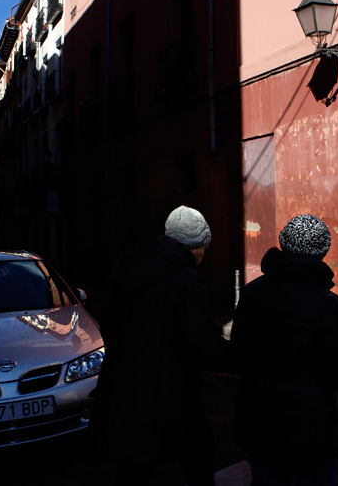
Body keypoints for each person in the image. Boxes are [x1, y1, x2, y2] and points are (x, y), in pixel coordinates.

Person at [90, 205, 235, 486]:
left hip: (126, 390)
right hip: (172, 396)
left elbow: (108, 324)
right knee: (198, 459)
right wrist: (238, 357)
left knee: (136, 467)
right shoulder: (186, 280)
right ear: (197, 246)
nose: (205, 255)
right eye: (205, 248)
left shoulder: (127, 268)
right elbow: (203, 345)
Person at [231, 214, 338, 486]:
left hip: (261, 424)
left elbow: (237, 356)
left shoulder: (253, 292)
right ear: (322, 252)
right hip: (311, 430)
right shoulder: (326, 303)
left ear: (283, 242)